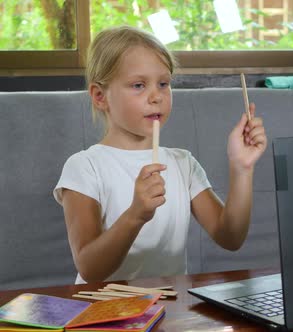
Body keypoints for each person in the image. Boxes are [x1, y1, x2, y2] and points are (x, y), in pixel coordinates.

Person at [53, 26, 267, 284]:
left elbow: (230, 237)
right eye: (138, 85)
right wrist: (135, 215)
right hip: (103, 313)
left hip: (170, 309)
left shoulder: (182, 163)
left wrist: (241, 168)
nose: (156, 97)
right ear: (100, 97)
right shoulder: (84, 167)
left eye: (163, 84)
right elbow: (90, 269)